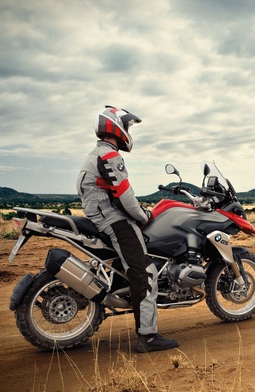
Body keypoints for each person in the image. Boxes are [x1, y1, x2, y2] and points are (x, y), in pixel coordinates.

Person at [76, 105, 178, 353]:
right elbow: (124, 195)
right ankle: (148, 337)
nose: (129, 131)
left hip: (100, 216)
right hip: (113, 220)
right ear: (115, 125)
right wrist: (143, 215)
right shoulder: (110, 156)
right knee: (145, 271)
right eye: (128, 126)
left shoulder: (96, 153)